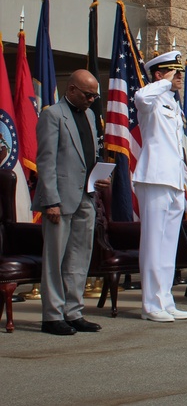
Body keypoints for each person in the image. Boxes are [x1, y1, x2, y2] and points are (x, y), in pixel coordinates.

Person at [32, 69, 110, 335]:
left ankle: (73, 311)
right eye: (88, 95)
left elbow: (86, 155)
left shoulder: (89, 115)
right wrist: (50, 200)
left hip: (86, 195)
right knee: (55, 259)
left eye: (95, 96)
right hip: (60, 199)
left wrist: (98, 177)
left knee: (79, 257)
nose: (91, 100)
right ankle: (52, 315)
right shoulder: (52, 115)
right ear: (72, 89)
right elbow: (46, 161)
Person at [132, 51, 187, 322]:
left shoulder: (172, 103)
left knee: (169, 244)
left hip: (174, 178)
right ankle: (151, 304)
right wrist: (165, 82)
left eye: (179, 73)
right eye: (174, 71)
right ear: (159, 74)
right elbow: (141, 97)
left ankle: (165, 298)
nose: (179, 76)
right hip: (154, 176)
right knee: (154, 243)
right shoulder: (151, 97)